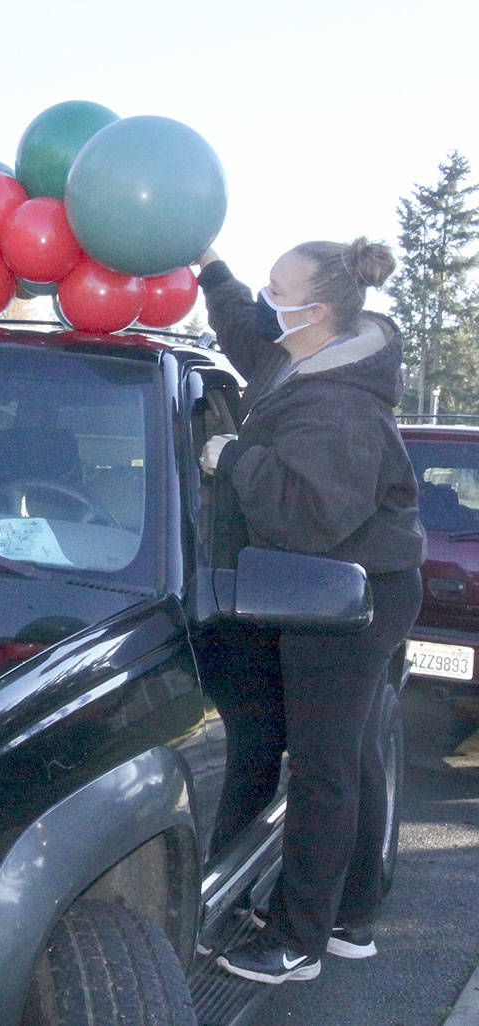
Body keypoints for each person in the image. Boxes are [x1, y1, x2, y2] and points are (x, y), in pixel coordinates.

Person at [197, 238, 425, 984]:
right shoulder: (300, 362)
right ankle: (351, 916)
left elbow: (305, 514)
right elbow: (242, 331)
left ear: (316, 309)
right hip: (337, 582)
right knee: (350, 753)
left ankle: (298, 942)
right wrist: (212, 268)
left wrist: (232, 459)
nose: (267, 296)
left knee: (324, 764)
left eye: (278, 287)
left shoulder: (339, 404)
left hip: (348, 594)